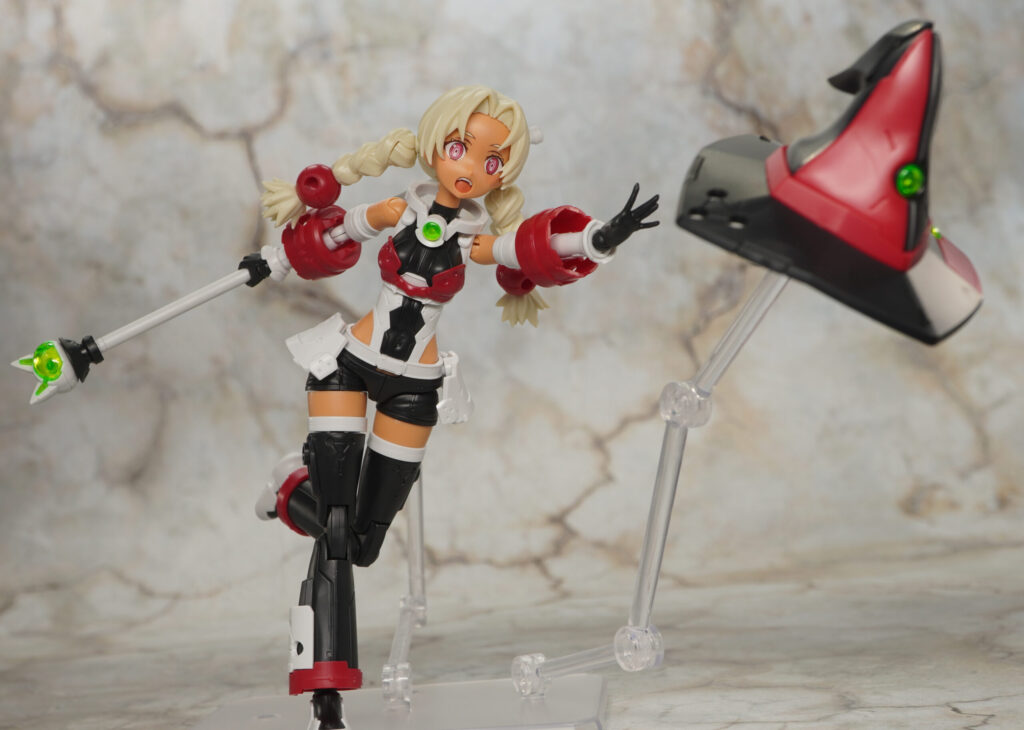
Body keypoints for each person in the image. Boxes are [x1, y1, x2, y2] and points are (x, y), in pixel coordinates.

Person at [248, 85, 658, 729]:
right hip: (349, 364)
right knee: (336, 525)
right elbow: (333, 235)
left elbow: (524, 249)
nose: (470, 167)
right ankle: (326, 696)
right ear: (436, 143)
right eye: (460, 147)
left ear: (503, 174)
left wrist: (597, 238)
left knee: (363, 541)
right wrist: (272, 258)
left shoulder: (473, 237)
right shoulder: (397, 208)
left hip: (415, 383)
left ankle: (287, 488)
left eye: (492, 161)